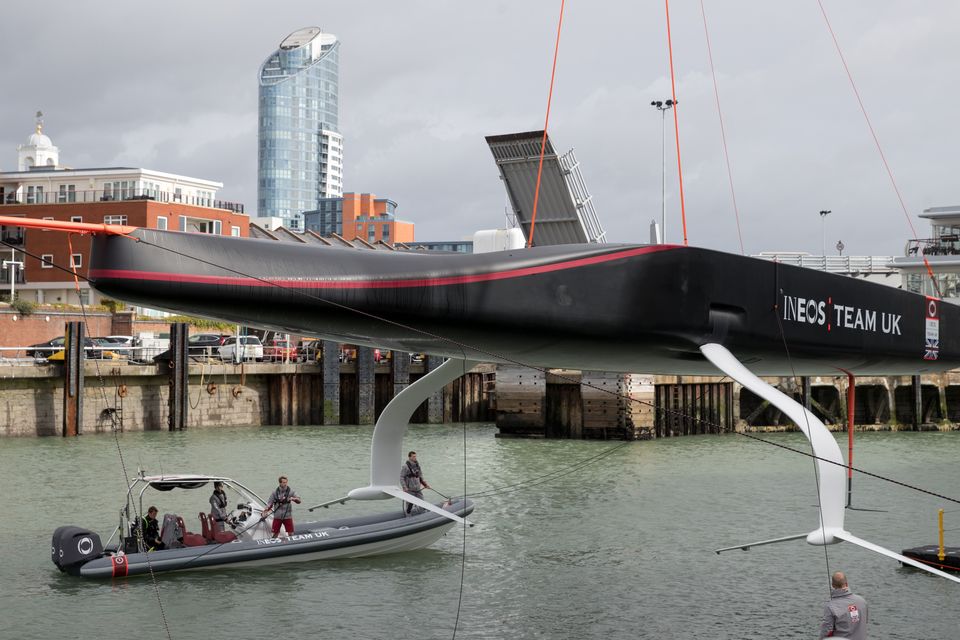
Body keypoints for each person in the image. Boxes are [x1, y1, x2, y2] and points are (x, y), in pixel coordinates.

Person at [819, 571, 869, 639]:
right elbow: (865, 622)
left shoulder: (830, 606)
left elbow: (827, 632)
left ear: (833, 585)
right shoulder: (862, 601)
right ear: (846, 584)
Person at [400, 451, 431, 515]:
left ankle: (423, 515)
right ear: (409, 457)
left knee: (422, 502)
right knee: (409, 507)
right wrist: (404, 487)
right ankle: (408, 517)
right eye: (413, 456)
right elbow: (401, 477)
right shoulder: (405, 467)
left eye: (415, 456)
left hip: (418, 490)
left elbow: (420, 477)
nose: (415, 458)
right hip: (410, 490)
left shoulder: (417, 465)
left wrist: (425, 485)